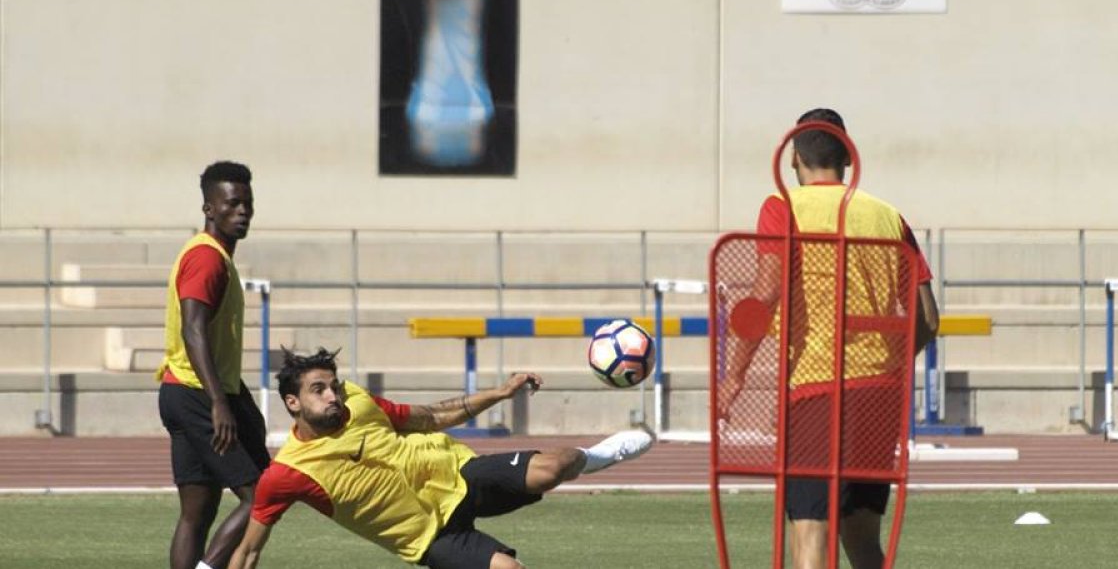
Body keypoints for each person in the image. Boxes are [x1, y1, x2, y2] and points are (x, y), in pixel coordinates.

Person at [718, 109, 939, 569]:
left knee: (809, 534)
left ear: (794, 157)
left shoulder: (784, 205)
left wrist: (732, 377)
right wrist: (893, 368)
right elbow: (928, 319)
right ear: (846, 155)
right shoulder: (886, 215)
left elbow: (767, 292)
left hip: (818, 391)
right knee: (862, 540)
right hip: (879, 397)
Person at [228, 347, 653, 569]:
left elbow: (430, 417)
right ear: (292, 403)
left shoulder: (357, 400)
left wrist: (499, 393)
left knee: (552, 470)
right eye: (319, 389)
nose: (333, 394)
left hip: (458, 474)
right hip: (429, 539)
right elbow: (247, 552)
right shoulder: (286, 474)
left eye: (334, 385)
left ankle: (597, 455)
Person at [157, 161, 268, 569]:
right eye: (232, 203)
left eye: (248, 203)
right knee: (263, 494)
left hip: (182, 390)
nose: (242, 211)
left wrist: (239, 400)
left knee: (197, 511)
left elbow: (210, 339)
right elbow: (194, 329)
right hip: (197, 395)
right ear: (209, 208)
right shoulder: (206, 258)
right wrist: (221, 403)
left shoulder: (213, 255)